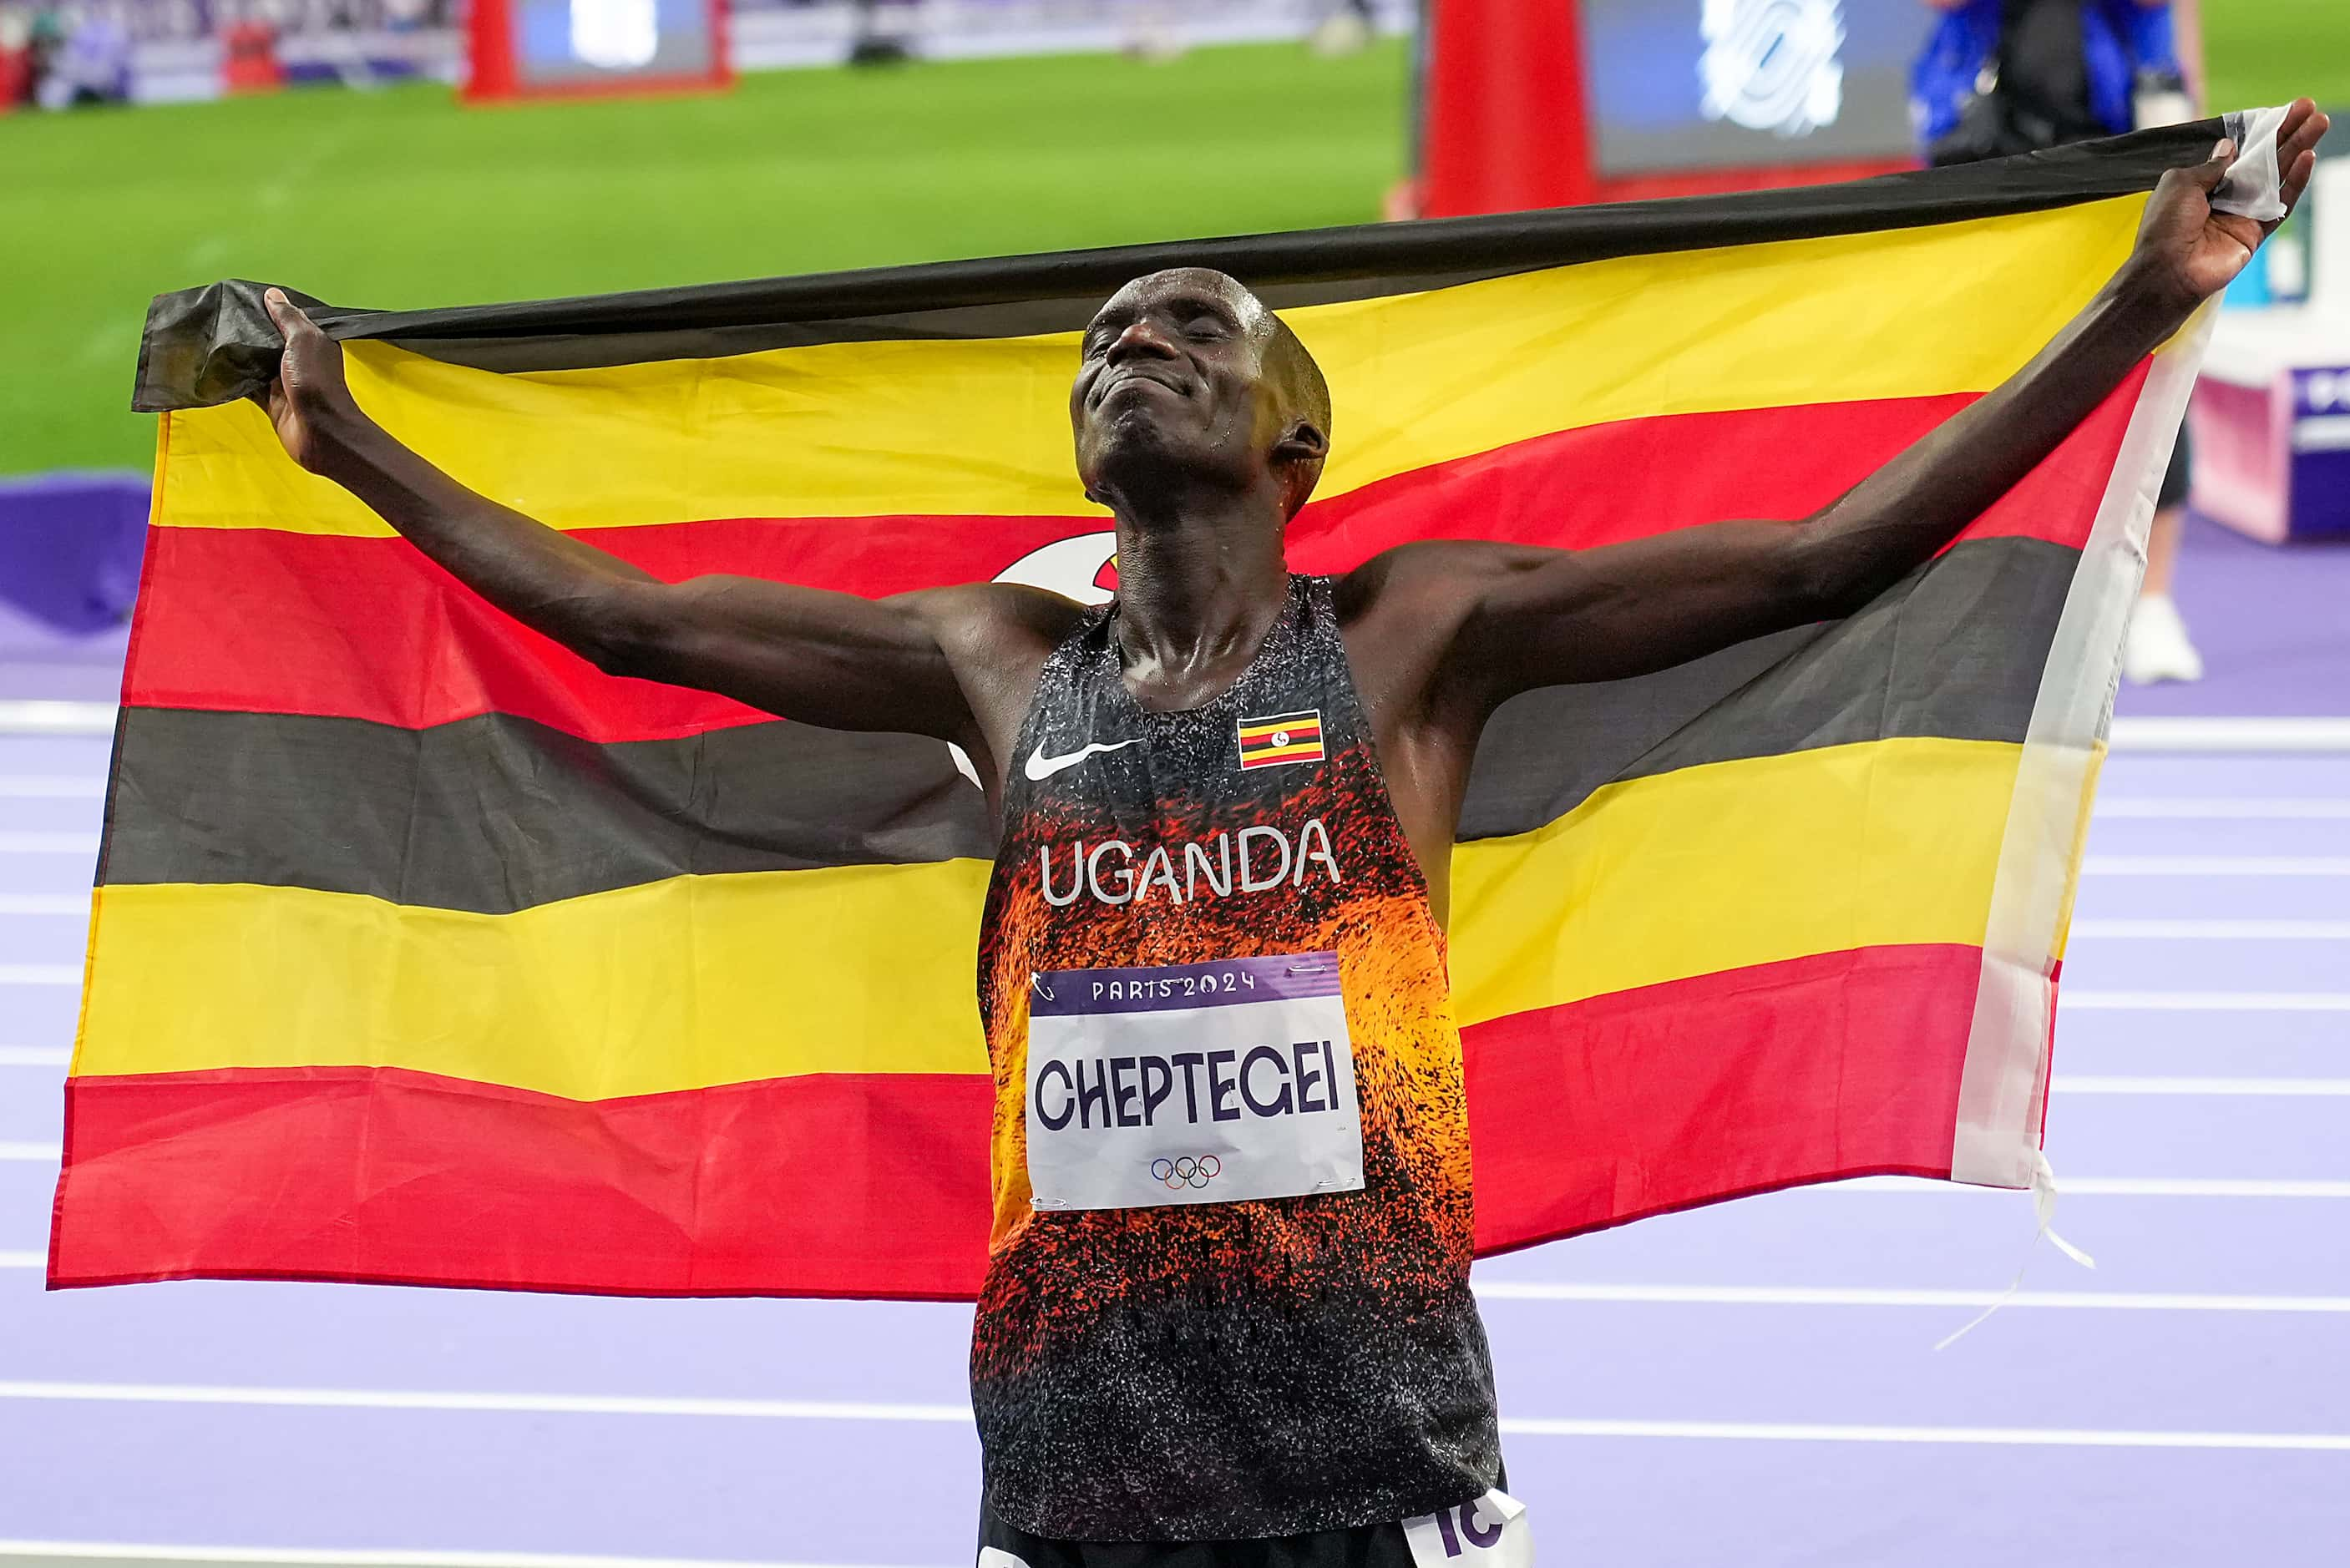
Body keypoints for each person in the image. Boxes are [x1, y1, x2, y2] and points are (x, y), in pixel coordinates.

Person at [256, 106, 2326, 1565]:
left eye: (1188, 332)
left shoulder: (1411, 640)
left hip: (1374, 1444)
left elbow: (1815, 560)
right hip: (1075, 1461)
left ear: (1293, 440)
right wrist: (343, 433)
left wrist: (2141, 301)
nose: (1127, 347)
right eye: (1104, 340)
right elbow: (631, 614)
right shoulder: (996, 661)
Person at [1913, 0, 2207, 682]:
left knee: (2152, 363)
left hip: (2125, 148)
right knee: (1992, 378)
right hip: (1990, 153)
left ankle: (2153, 604)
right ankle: (1996, 600)